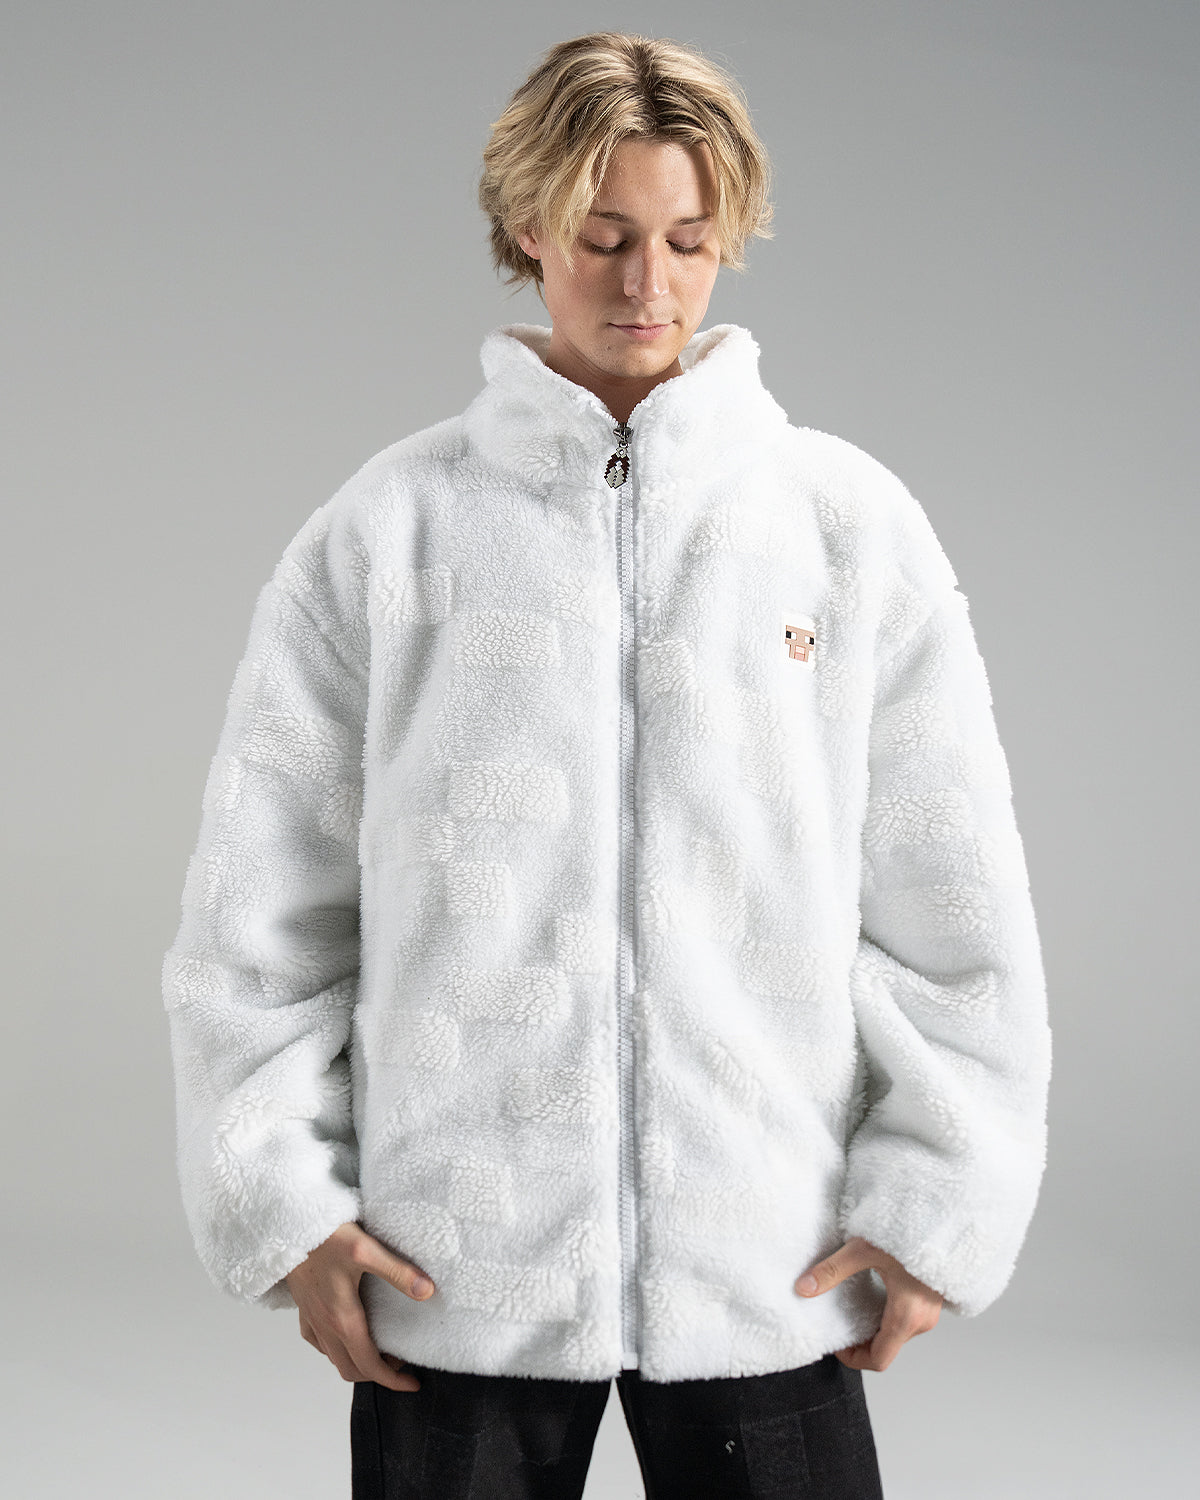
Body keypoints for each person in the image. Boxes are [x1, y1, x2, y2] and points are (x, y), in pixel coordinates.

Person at [161, 29, 1053, 1500]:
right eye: (604, 235)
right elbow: (257, 915)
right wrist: (286, 1208)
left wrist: (938, 1203)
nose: (649, 284)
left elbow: (953, 904)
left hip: (771, 1261)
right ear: (528, 227)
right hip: (459, 1271)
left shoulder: (844, 530)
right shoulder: (392, 532)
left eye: (689, 241)